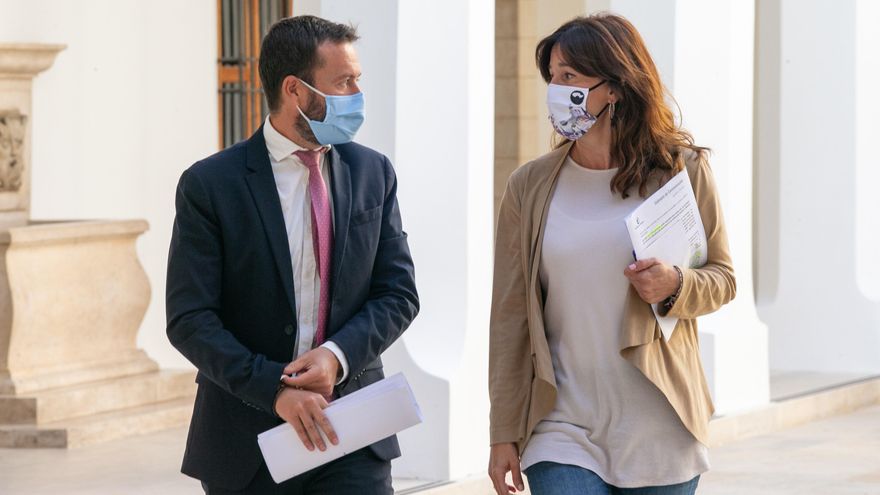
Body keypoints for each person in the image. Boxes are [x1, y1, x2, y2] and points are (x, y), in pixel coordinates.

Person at [166, 15, 419, 494]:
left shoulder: (373, 173)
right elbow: (190, 319)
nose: (357, 94)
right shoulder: (209, 186)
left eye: (357, 80)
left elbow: (398, 294)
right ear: (295, 90)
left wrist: (336, 357)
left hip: (354, 430)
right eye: (344, 82)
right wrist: (275, 391)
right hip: (247, 442)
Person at [487, 13, 735, 495]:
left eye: (570, 77)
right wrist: (503, 431)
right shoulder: (530, 186)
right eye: (552, 77)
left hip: (658, 421)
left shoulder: (680, 170)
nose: (556, 91)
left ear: (615, 88)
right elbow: (510, 315)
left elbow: (723, 278)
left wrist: (676, 285)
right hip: (560, 423)